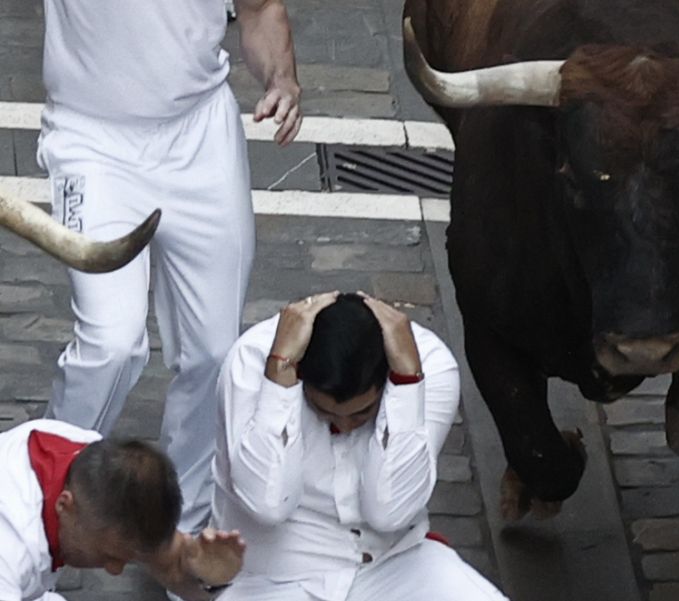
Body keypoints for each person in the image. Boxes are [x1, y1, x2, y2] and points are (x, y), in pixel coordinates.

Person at [39, 0, 302, 534]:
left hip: (200, 135)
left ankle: (181, 534)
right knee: (109, 345)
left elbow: (260, 8)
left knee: (213, 352)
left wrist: (282, 78)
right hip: (91, 141)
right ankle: (38, 506)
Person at [212, 292, 509, 600]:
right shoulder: (251, 359)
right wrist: (278, 379)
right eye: (323, 411)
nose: (345, 425)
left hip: (391, 564)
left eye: (362, 413)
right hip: (274, 576)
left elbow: (390, 512)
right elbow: (267, 502)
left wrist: (406, 384)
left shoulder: (429, 363)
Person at [0, 419, 245, 601]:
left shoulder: (100, 467)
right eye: (108, 555)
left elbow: (171, 565)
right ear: (64, 505)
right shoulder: (9, 549)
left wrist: (209, 578)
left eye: (126, 557)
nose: (115, 570)